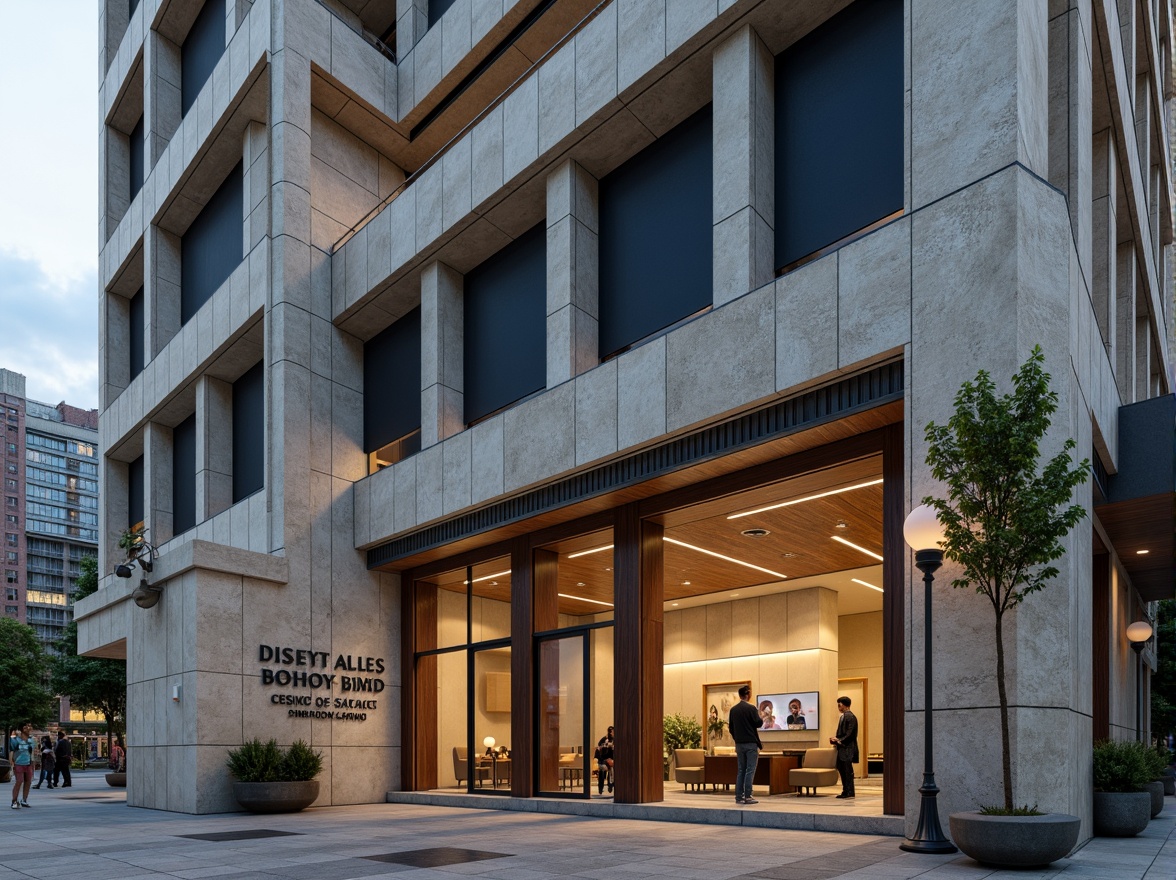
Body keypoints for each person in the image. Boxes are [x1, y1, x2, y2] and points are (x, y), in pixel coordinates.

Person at [729, 684, 763, 805]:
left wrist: (737, 739)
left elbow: (731, 728)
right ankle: (748, 796)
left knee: (741, 770)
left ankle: (739, 796)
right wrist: (762, 716)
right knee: (750, 770)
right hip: (751, 744)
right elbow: (758, 723)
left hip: (739, 744)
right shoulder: (751, 708)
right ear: (748, 694)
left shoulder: (733, 710)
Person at [829, 695, 858, 798]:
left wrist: (839, 740)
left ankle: (849, 791)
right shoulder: (844, 716)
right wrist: (836, 739)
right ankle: (846, 790)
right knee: (843, 770)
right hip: (843, 749)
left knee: (847, 771)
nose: (838, 707)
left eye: (839, 705)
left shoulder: (850, 717)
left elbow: (850, 734)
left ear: (845, 705)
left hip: (847, 749)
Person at [9, 723, 36, 808]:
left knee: (28, 782)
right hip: (18, 764)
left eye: (30, 726)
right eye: (25, 727)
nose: (28, 728)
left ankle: (24, 800)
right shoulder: (15, 740)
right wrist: (11, 764)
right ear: (21, 729)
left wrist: (33, 765)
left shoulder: (32, 740)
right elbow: (11, 752)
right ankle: (14, 801)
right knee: (19, 781)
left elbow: (32, 753)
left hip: (28, 764)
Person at [594, 726, 615, 795]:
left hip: (612, 760)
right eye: (611, 731)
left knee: (612, 767)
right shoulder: (604, 740)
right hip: (603, 760)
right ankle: (601, 787)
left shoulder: (615, 740)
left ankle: (611, 784)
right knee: (603, 769)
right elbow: (599, 751)